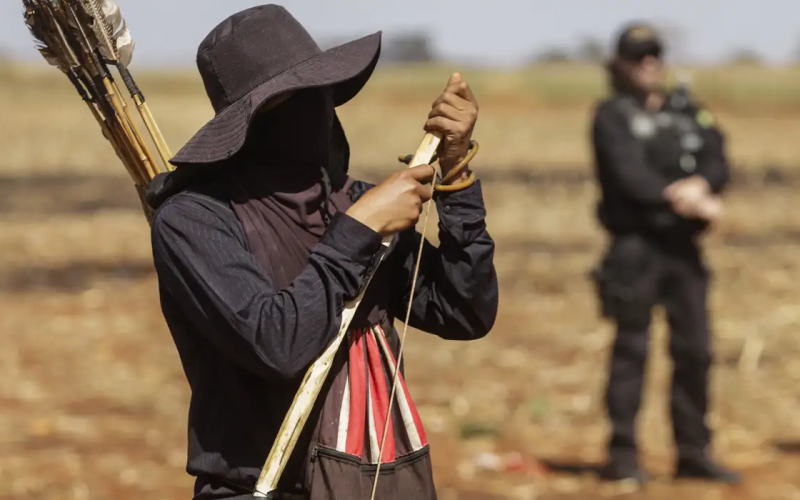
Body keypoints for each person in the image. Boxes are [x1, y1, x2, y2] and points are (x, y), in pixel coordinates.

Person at [145, 4, 498, 500]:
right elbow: (277, 344)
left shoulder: (348, 200)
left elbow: (465, 311)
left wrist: (456, 179)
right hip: (258, 488)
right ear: (249, 123)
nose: (314, 112)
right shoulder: (194, 220)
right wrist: (357, 233)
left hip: (370, 479)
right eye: (291, 100)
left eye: (320, 93)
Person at [589, 22, 739, 485]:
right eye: (638, 57)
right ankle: (623, 455)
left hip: (684, 252)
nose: (649, 64)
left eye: (654, 55)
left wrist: (703, 184)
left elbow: (717, 158)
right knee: (632, 350)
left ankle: (693, 450)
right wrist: (687, 197)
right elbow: (628, 176)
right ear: (620, 64)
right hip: (636, 248)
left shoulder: (688, 111)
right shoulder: (611, 115)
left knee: (695, 350)